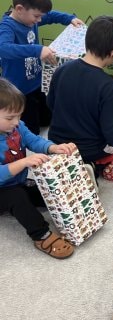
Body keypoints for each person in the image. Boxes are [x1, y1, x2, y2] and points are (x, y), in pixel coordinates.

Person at [47, 15, 113, 178]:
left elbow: (51, 104)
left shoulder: (62, 69)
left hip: (56, 144)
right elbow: (111, 133)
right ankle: (90, 165)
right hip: (88, 150)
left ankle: (68, 163)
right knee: (112, 150)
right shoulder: (108, 86)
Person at [0, 77, 76, 259]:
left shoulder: (17, 127)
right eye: (10, 117)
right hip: (4, 190)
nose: (16, 122)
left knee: (46, 189)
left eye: (19, 115)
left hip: (18, 182)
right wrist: (23, 162)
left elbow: (34, 140)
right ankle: (41, 234)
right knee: (18, 198)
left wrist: (53, 147)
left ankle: (73, 212)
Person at [0, 0, 84, 135]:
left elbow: (50, 16)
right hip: (19, 91)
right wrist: (38, 50)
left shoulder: (31, 18)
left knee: (47, 118)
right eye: (37, 16)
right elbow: (3, 48)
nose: (39, 20)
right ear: (19, 9)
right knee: (31, 130)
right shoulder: (7, 27)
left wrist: (69, 18)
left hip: (38, 82)